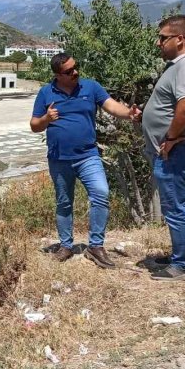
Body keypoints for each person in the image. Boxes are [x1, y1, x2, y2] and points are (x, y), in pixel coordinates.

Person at [30, 52, 139, 269]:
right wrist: (46, 119)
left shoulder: (90, 87)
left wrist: (129, 114)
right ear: (58, 75)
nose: (75, 72)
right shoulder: (45, 93)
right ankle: (66, 246)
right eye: (69, 71)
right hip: (59, 158)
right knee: (63, 202)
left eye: (76, 67)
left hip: (88, 155)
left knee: (101, 193)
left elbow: (110, 105)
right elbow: (34, 125)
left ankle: (95, 246)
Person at [140, 15, 185, 280]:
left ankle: (182, 264)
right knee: (180, 202)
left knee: (175, 205)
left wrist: (170, 137)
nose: (158, 43)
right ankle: (183, 255)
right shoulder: (178, 65)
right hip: (180, 145)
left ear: (180, 39)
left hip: (181, 147)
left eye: (163, 37)